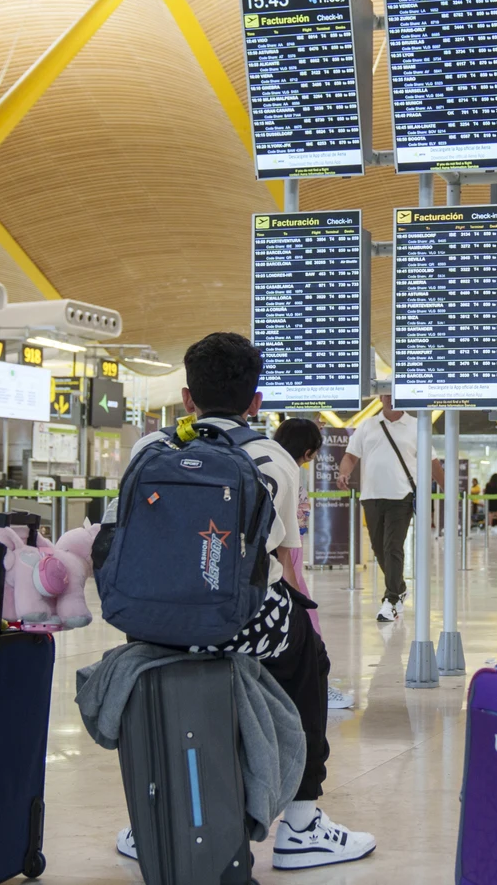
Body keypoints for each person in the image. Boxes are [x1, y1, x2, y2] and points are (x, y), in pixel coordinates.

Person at [112, 333, 373, 869]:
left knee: (163, 663)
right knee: (306, 656)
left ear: (188, 398)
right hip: (237, 621)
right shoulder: (272, 458)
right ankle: (301, 825)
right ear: (256, 403)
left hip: (152, 620)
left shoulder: (149, 450)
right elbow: (283, 563)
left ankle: (150, 821)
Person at [273, 417, 355, 712]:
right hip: (286, 555)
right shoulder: (289, 473)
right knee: (308, 625)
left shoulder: (270, 463)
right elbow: (286, 540)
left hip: (278, 555)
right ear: (308, 453)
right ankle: (318, 687)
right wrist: (298, 593)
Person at [336, 392, 417, 623]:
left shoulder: (415, 426)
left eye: (394, 394)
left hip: (401, 496)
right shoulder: (367, 425)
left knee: (393, 546)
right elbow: (351, 456)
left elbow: (430, 461)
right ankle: (399, 587)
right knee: (379, 547)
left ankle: (391, 600)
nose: (390, 398)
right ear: (380, 397)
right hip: (371, 496)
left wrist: (447, 489)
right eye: (386, 394)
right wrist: (344, 473)